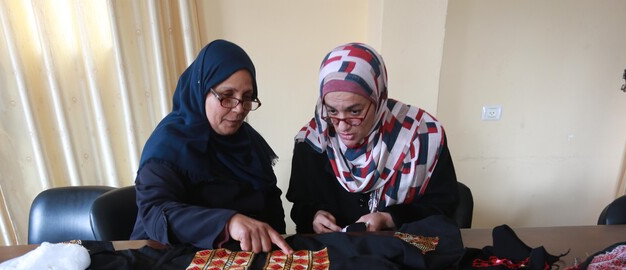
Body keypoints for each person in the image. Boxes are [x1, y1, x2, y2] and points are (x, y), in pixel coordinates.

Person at [131, 39, 292, 254]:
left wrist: (276, 248)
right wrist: (228, 223)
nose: (239, 109)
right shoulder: (168, 144)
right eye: (226, 96)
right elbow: (156, 212)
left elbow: (271, 204)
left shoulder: (249, 143)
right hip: (166, 257)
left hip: (235, 262)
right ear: (201, 89)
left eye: (247, 98)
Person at [287, 42, 459, 234]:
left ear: (378, 98)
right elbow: (300, 205)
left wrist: (389, 218)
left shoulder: (422, 136)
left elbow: (443, 207)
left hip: (400, 254)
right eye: (332, 110)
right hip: (332, 257)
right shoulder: (312, 142)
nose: (342, 126)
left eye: (355, 111)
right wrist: (314, 216)